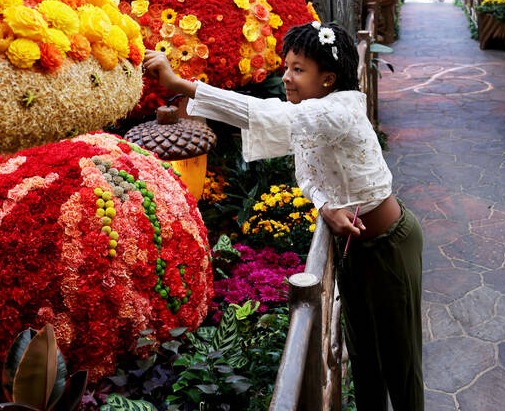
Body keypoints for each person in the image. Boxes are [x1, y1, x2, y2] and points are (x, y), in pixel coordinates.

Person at [142, 23, 424, 410]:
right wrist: (326, 205)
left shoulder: (336, 111)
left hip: (390, 244)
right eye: (286, 67)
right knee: (364, 359)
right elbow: (307, 175)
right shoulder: (310, 115)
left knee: (401, 362)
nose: (286, 78)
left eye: (297, 69)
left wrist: (181, 83)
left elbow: (261, 112)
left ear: (328, 78)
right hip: (352, 247)